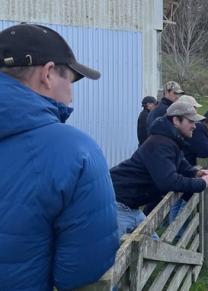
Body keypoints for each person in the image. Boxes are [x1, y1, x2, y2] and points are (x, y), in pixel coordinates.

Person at [0, 24, 119, 290]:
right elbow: (84, 274)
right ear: (48, 73)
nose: (72, 93)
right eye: (72, 80)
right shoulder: (76, 151)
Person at [110, 102, 208, 238]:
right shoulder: (160, 144)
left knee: (152, 248)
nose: (194, 126)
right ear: (176, 120)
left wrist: (195, 172)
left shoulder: (169, 141)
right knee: (111, 253)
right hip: (118, 204)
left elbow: (178, 162)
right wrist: (202, 183)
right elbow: (168, 181)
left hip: (132, 206)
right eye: (190, 121)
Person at [170, 107, 208, 225]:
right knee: (184, 199)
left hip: (188, 168)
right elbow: (205, 150)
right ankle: (177, 232)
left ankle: (174, 229)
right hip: (187, 169)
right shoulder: (200, 130)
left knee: (180, 199)